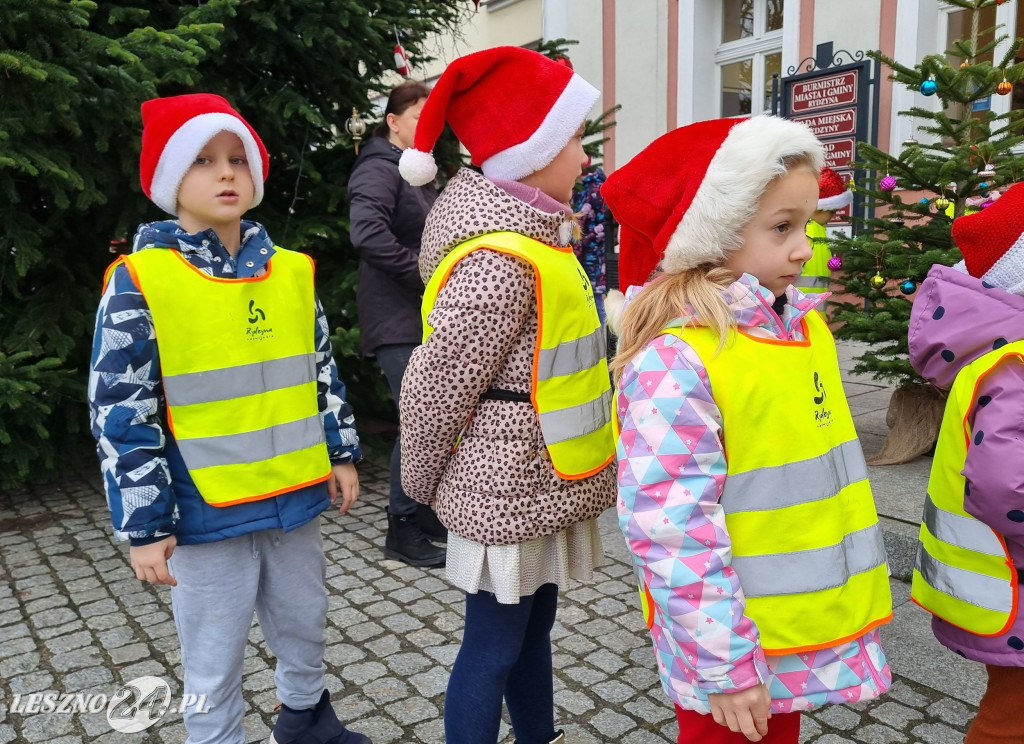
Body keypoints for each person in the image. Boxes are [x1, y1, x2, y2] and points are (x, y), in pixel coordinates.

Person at [602, 116, 893, 744]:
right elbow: (671, 525)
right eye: (781, 227)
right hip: (731, 648)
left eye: (808, 225)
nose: (804, 248)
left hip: (790, 628)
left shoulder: (797, 330)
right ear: (713, 232)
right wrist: (726, 664)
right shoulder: (679, 358)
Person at [88, 93, 368, 744]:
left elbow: (320, 369)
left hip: (295, 499)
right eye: (203, 160)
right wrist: (145, 525)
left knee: (305, 620)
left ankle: (306, 720)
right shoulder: (140, 280)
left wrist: (340, 452)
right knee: (213, 656)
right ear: (168, 180)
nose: (225, 174)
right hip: (204, 513)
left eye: (238, 159)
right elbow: (122, 409)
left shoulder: (292, 273)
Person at [395, 47, 617, 744]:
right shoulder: (497, 261)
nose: (585, 158)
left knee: (531, 634)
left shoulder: (540, 240)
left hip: (539, 480)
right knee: (492, 647)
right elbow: (435, 388)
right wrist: (422, 482)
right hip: (504, 487)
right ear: (529, 150)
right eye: (576, 139)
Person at [907, 182, 1024, 744]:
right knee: (1009, 722)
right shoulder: (1016, 368)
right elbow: (1005, 488)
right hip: (1014, 592)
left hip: (1007, 593)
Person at [348, 81, 445, 568]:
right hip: (396, 318)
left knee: (432, 418)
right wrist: (428, 276)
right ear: (393, 121)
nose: (428, 128)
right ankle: (401, 526)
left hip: (422, 317)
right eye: (418, 117)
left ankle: (424, 513)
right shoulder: (378, 167)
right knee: (419, 418)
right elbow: (367, 235)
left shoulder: (419, 174)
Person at [796, 166, 851, 306]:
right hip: (796, 319)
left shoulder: (816, 232)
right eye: (831, 212)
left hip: (807, 318)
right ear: (818, 208)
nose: (831, 217)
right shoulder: (806, 233)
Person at [571, 164, 610, 325]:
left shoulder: (594, 188)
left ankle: (604, 339)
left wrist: (585, 239)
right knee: (589, 296)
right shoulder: (580, 187)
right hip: (583, 251)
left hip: (592, 254)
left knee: (594, 297)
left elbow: (604, 222)